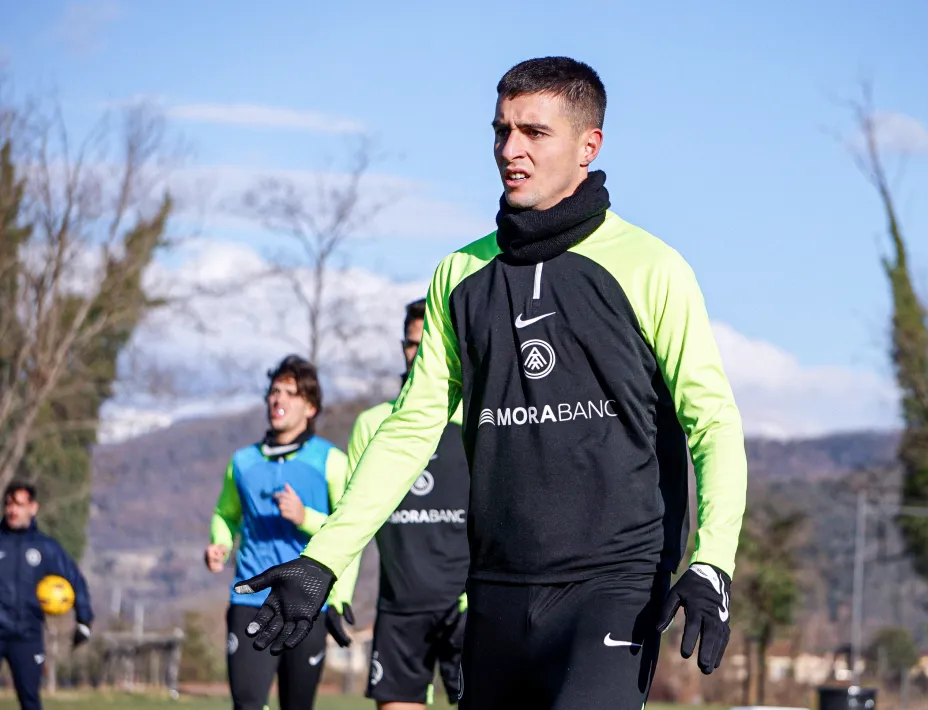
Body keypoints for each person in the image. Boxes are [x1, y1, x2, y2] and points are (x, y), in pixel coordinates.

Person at [235, 56, 748, 709]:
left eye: (535, 133)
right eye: (501, 130)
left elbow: (714, 424)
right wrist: (324, 559)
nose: (511, 150)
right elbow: (410, 428)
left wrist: (713, 559)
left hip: (614, 583)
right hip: (495, 589)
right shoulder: (459, 276)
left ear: (588, 145)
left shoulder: (651, 268)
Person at [204, 355, 361, 710]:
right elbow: (225, 514)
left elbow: (350, 529)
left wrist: (305, 517)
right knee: (247, 704)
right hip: (249, 599)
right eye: (275, 392)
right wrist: (220, 544)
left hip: (304, 601)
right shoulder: (242, 462)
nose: (279, 400)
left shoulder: (331, 461)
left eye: (291, 393)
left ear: (310, 407)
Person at [349, 298, 470, 709]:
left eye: (426, 342)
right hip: (400, 607)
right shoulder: (372, 424)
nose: (417, 353)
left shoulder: (476, 420)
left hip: (468, 605)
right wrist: (337, 592)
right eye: (410, 343)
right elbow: (353, 516)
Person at [0, 481, 94, 710]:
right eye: (9, 504)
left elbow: (75, 580)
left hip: (28, 635)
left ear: (33, 508)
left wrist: (84, 620)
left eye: (20, 505)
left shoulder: (46, 548)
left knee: (30, 701)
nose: (13, 510)